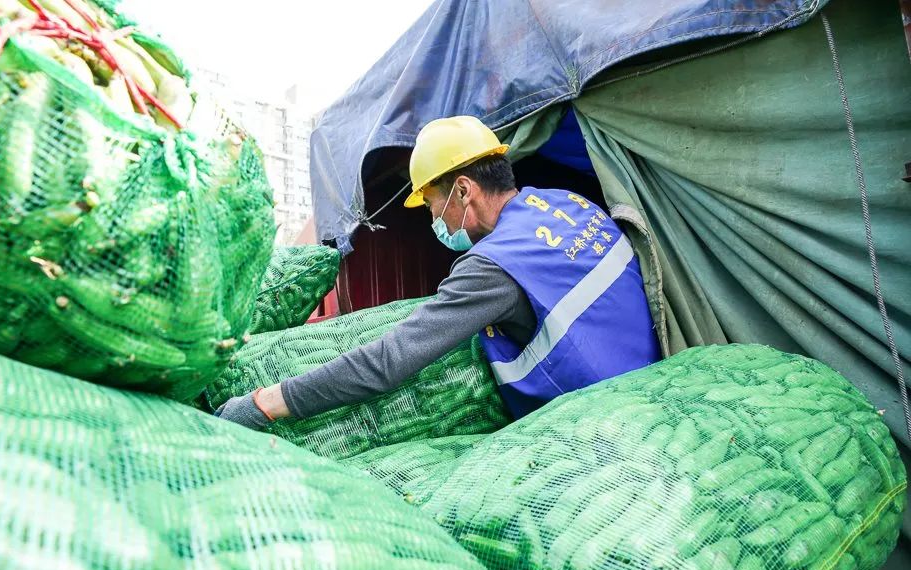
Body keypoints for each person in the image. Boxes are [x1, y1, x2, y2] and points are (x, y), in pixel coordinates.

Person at [217, 115, 661, 428]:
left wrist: (266, 402)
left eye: (431, 205)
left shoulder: (493, 266)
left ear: (463, 191)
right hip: (655, 382)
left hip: (601, 421)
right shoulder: (568, 203)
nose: (434, 221)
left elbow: (388, 361)